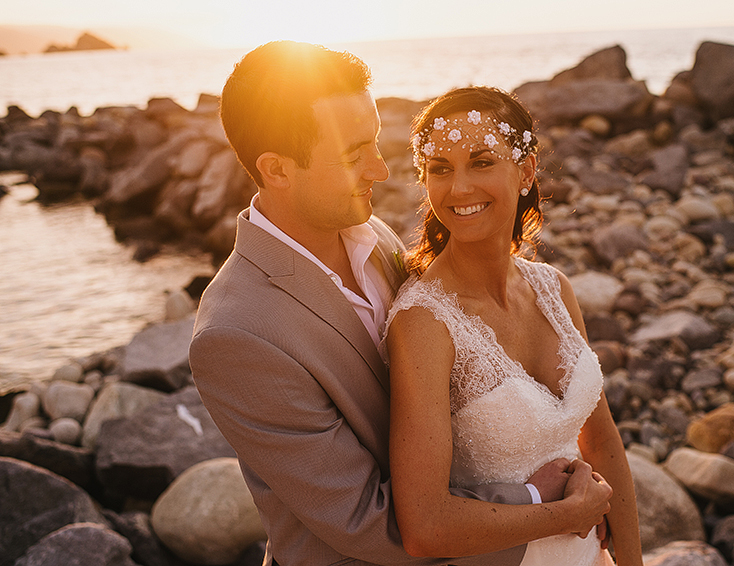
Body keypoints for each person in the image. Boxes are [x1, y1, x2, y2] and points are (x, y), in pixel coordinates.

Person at [189, 41, 607, 566]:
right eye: (352, 155)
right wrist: (542, 501)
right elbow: (366, 522)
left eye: (375, 142)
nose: (380, 170)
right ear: (276, 169)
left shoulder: (372, 234)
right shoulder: (237, 335)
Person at [384, 86, 643, 566]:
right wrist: (565, 514)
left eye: (481, 162)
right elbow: (424, 528)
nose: (459, 188)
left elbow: (602, 441)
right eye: (440, 169)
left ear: (524, 172)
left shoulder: (553, 288)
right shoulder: (425, 323)